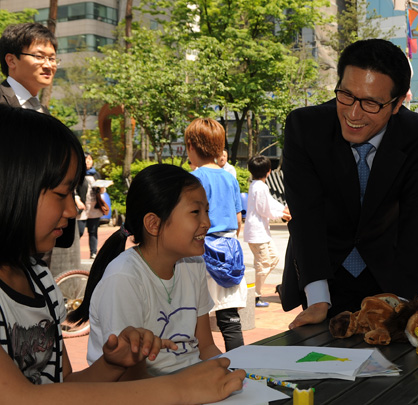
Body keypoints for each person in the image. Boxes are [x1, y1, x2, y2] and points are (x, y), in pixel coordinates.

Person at [0, 105, 245, 403]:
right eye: (62, 194)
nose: (73, 208)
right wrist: (181, 388)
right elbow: (22, 398)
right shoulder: (124, 277)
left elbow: (64, 387)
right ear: (12, 187)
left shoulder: (40, 280)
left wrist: (113, 364)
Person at [279, 38, 418, 327]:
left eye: (371, 103)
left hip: (389, 274)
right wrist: (317, 298)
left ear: (398, 102)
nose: (353, 113)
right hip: (323, 270)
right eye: (346, 95)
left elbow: (416, 220)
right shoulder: (306, 127)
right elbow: (306, 215)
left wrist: (402, 302)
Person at [70, 164, 224, 377]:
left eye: (206, 211)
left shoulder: (194, 265)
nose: (207, 222)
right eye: (195, 212)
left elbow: (206, 347)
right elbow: (129, 376)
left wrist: (226, 374)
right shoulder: (124, 279)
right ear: (154, 224)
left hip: (192, 384)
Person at [0, 22, 75, 251]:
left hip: (41, 238)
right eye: (40, 56)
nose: (48, 65)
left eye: (53, 59)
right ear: (11, 60)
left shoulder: (43, 113)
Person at [185, 118, 247, 351]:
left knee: (192, 317)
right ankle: (240, 368)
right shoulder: (229, 177)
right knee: (229, 319)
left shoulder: (194, 179)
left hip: (202, 249)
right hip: (229, 249)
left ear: (191, 145)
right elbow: (238, 218)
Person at [244, 155, 291, 307]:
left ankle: (254, 292)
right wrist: (282, 214)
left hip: (260, 232)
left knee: (273, 259)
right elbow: (265, 210)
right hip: (257, 233)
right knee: (264, 264)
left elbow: (269, 203)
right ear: (269, 171)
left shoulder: (256, 185)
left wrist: (283, 209)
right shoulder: (260, 187)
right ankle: (254, 295)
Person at [75, 153, 103, 259]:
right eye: (85, 159)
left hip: (94, 208)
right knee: (79, 231)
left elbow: (101, 191)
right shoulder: (78, 174)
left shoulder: (96, 174)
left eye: (90, 159)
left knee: (93, 231)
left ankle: (93, 253)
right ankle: (74, 253)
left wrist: (102, 188)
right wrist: (77, 201)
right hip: (82, 208)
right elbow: (73, 190)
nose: (88, 161)